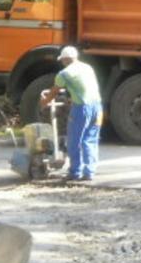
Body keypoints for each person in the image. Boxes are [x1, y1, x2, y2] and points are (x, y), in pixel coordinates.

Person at [40, 46, 103, 181]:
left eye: (62, 60)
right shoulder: (87, 68)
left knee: (74, 140)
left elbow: (54, 91)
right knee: (90, 139)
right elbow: (84, 86)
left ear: (65, 60)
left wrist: (45, 102)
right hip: (97, 107)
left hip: (82, 109)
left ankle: (75, 172)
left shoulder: (64, 74)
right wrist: (71, 98)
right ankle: (89, 172)